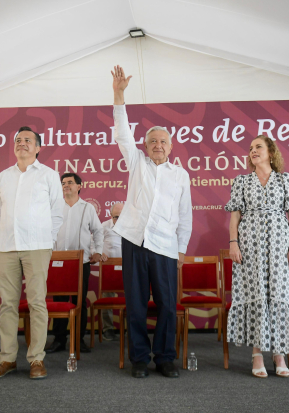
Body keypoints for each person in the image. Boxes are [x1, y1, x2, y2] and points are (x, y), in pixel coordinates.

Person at [111, 66, 192, 379]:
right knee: (136, 306)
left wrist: (181, 249)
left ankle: (165, 357)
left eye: (163, 141)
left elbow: (185, 215)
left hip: (166, 247)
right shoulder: (136, 164)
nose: (158, 144)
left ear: (171, 147)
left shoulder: (180, 175)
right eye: (153, 140)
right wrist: (119, 94)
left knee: (167, 306)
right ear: (145, 146)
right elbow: (121, 132)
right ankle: (140, 359)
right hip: (134, 241)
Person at [225, 135, 289, 378]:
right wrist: (233, 243)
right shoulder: (241, 181)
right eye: (250, 148)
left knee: (279, 294)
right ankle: (257, 353)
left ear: (271, 152)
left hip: (279, 245)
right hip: (249, 245)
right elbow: (234, 216)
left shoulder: (285, 180)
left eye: (258, 147)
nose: (253, 151)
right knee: (257, 294)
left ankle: (280, 354)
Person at [0, 126, 64, 380]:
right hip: (6, 245)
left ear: (38, 148)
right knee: (7, 304)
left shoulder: (49, 175)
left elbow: (56, 212)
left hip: (37, 246)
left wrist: (46, 241)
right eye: (18, 140)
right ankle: (6, 359)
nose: (22, 143)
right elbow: (0, 211)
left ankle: (36, 359)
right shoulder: (3, 176)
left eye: (28, 140)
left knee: (36, 303)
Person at [46, 173, 103, 354]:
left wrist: (98, 251)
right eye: (63, 183)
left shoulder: (87, 208)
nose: (66, 186)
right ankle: (59, 339)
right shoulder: (54, 207)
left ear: (79, 186)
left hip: (81, 263)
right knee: (59, 301)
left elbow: (98, 231)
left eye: (70, 183)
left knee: (80, 302)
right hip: (58, 263)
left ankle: (79, 339)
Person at [99, 202, 124, 340]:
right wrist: (99, 253)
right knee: (107, 300)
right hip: (108, 268)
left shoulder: (133, 228)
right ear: (110, 215)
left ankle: (128, 328)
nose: (118, 220)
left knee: (132, 300)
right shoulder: (104, 226)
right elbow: (93, 244)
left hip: (128, 269)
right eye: (116, 217)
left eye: (122, 216)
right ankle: (108, 328)